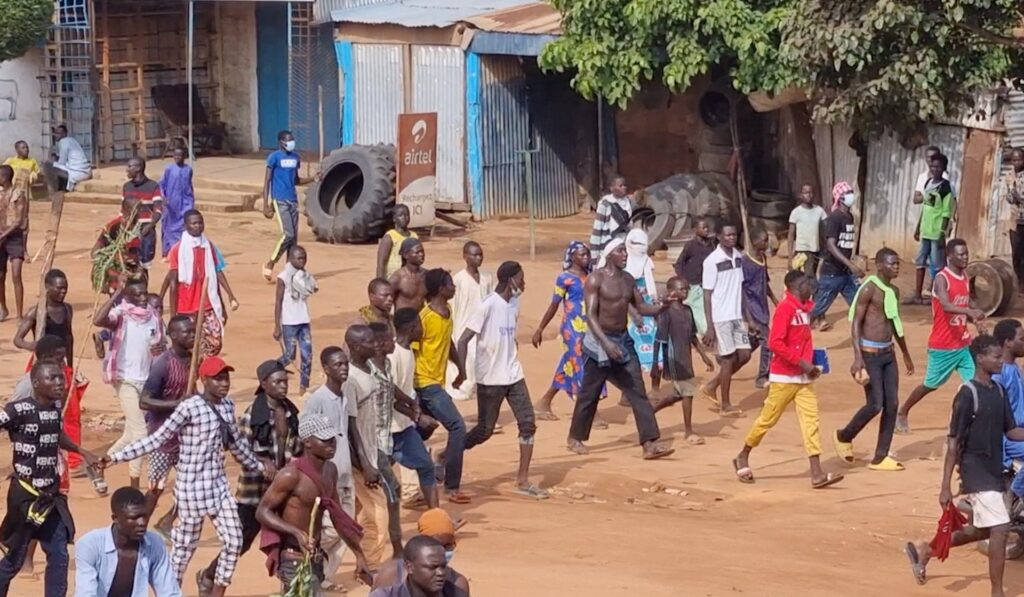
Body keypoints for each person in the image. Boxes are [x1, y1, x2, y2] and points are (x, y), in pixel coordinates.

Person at [100, 356, 269, 597]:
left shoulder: (228, 407)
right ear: (204, 381)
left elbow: (237, 445)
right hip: (191, 490)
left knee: (234, 541)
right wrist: (115, 457)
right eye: (218, 378)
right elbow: (156, 439)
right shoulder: (189, 408)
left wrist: (261, 467)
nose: (224, 383)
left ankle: (216, 592)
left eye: (226, 378)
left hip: (218, 488)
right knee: (183, 550)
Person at [904, 335, 1024, 597]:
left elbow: (1012, 430)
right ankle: (997, 592)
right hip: (975, 470)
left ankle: (926, 550)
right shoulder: (967, 394)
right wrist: (945, 486)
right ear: (980, 359)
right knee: (1001, 528)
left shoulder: (998, 390)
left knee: (981, 529)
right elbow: (954, 441)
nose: (1000, 360)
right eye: (995, 356)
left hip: (993, 469)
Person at [195, 359, 300, 597]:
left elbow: (296, 447)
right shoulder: (251, 415)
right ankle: (210, 574)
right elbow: (239, 449)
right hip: (253, 491)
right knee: (240, 542)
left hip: (282, 487)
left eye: (285, 381)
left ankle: (289, 588)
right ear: (264, 384)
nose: (284, 386)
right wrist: (261, 463)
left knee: (286, 540)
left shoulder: (291, 411)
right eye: (278, 381)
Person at [733, 270, 844, 489]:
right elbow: (775, 343)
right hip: (784, 377)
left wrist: (810, 363)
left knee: (811, 422)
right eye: (805, 284)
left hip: (803, 378)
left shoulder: (804, 309)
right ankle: (743, 455)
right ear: (794, 287)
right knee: (768, 419)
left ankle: (816, 473)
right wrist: (803, 363)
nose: (809, 287)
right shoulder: (785, 309)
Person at [567, 238, 674, 459]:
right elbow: (591, 316)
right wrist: (606, 344)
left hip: (623, 341)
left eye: (625, 251)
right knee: (590, 392)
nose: (625, 255)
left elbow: (641, 306)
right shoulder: (596, 279)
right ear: (609, 255)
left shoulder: (628, 280)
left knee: (637, 391)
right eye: (620, 251)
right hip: (599, 342)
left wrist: (662, 307)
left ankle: (649, 442)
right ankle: (575, 437)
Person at [0, 361, 100, 597]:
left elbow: (56, 435)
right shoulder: (17, 410)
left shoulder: (55, 408)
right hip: (25, 496)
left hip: (51, 497)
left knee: (59, 555)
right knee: (13, 560)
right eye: (52, 378)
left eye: (60, 378)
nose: (60, 383)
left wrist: (81, 450)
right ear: (35, 383)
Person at [456, 261, 547, 498]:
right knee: (484, 430)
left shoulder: (513, 304)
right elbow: (464, 340)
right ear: (510, 281)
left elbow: (508, 335)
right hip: (490, 378)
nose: (524, 284)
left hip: (513, 374)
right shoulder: (487, 305)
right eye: (521, 279)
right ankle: (449, 454)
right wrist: (462, 372)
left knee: (527, 423)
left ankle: (523, 479)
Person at [256, 414, 372, 593]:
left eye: (332, 439)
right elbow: (262, 511)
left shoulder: (330, 470)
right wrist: (296, 533)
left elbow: (337, 516)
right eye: (325, 440)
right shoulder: (291, 475)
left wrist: (359, 556)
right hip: (293, 557)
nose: (331, 445)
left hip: (315, 558)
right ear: (308, 442)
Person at [834, 248, 915, 470]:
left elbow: (894, 324)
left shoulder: (894, 291)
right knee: (875, 403)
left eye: (898, 263)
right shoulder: (869, 288)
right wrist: (857, 357)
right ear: (879, 265)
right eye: (892, 263)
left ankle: (880, 457)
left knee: (893, 403)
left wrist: (906, 354)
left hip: (888, 354)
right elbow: (856, 323)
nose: (896, 267)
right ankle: (844, 435)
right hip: (869, 354)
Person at [304, 346, 376, 590]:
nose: (343, 368)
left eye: (345, 364)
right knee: (332, 529)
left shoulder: (345, 394)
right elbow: (306, 435)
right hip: (327, 476)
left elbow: (348, 432)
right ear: (325, 369)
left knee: (345, 530)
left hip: (344, 473)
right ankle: (303, 556)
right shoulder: (318, 399)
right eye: (337, 365)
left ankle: (321, 576)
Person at [897, 239, 985, 433]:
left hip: (962, 343)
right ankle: (903, 411)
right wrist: (969, 312)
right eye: (961, 254)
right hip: (943, 346)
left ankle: (969, 422)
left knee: (977, 382)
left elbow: (966, 304)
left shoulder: (964, 277)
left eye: (966, 253)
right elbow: (945, 305)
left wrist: (976, 321)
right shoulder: (941, 279)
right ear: (950, 256)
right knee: (930, 385)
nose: (965, 257)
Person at [94, 278, 164, 490]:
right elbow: (99, 320)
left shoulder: (154, 316)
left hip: (146, 378)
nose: (143, 298)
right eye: (138, 295)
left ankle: (100, 464)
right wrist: (116, 295)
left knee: (131, 434)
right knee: (141, 434)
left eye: (145, 293)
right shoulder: (121, 314)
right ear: (128, 296)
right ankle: (134, 482)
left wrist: (160, 351)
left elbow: (160, 345)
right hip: (125, 379)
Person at [13, 269, 84, 475]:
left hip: (62, 367)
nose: (63, 292)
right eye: (59, 288)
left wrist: (70, 367)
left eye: (65, 288)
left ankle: (74, 459)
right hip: (41, 365)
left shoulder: (68, 309)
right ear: (47, 288)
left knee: (71, 412)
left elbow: (69, 338)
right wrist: (34, 346)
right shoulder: (37, 311)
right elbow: (18, 339)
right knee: (35, 407)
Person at [343, 325, 403, 566]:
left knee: (355, 512)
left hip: (372, 450)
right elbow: (350, 426)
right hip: (361, 458)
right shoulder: (350, 380)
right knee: (379, 513)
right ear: (356, 347)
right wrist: (365, 464)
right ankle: (371, 566)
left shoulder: (367, 370)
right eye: (369, 341)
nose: (374, 344)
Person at [531, 241, 603, 423]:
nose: (586, 258)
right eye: (581, 254)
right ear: (572, 257)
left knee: (569, 364)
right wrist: (540, 329)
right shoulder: (564, 278)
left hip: (591, 327)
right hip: (572, 328)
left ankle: (544, 403)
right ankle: (588, 413)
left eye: (587, 254)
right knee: (582, 366)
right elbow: (554, 305)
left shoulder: (592, 276)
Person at [413, 270, 469, 503]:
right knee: (457, 427)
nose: (454, 287)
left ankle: (406, 475)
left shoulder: (448, 312)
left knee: (420, 433)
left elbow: (449, 342)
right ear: (439, 289)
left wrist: (461, 368)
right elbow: (412, 350)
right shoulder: (424, 318)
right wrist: (414, 394)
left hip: (437, 382)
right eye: (450, 284)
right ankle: (451, 486)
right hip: (425, 383)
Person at [138, 314, 195, 536]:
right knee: (156, 488)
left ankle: (168, 520)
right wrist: (177, 404)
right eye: (186, 332)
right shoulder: (162, 364)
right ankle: (139, 528)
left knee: (193, 485)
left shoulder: (192, 359)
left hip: (186, 437)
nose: (191, 336)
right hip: (162, 437)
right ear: (172, 336)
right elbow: (144, 400)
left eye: (192, 332)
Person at [72, 487, 181, 597]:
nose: (142, 523)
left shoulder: (155, 544)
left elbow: (169, 592)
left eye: (144, 516)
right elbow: (86, 593)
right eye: (134, 518)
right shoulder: (90, 545)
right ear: (115, 518)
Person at [165, 210, 240, 356]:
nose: (198, 226)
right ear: (186, 225)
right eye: (194, 223)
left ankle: (203, 367)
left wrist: (228, 298)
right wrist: (173, 316)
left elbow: (216, 273)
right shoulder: (177, 250)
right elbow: (173, 283)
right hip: (186, 306)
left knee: (215, 342)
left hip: (207, 303)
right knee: (189, 344)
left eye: (200, 223)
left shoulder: (209, 247)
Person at [651, 276, 715, 445]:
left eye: (687, 289)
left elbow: (692, 336)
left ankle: (649, 413)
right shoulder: (666, 313)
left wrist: (704, 356)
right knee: (687, 394)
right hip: (674, 358)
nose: (685, 292)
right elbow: (659, 340)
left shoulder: (687, 310)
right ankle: (689, 431)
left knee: (678, 394)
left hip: (686, 357)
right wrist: (656, 364)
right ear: (671, 291)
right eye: (681, 289)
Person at [699, 223, 751, 417]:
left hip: (736, 316)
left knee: (745, 355)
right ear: (719, 236)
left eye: (734, 234)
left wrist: (749, 318)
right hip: (721, 318)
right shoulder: (711, 261)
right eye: (727, 234)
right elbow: (707, 294)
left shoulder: (738, 257)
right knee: (728, 360)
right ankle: (725, 404)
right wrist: (710, 326)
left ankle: (712, 385)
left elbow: (741, 288)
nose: (731, 238)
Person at [390, 309, 440, 509]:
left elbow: (406, 392)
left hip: (404, 427)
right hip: (386, 430)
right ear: (411, 328)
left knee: (426, 467)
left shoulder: (407, 350)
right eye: (420, 323)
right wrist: (419, 418)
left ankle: (437, 517)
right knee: (373, 481)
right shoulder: (393, 356)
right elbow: (389, 397)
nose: (422, 327)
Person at [371, 509, 470, 595]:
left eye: (448, 545)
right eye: (435, 545)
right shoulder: (390, 576)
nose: (442, 551)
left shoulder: (457, 585)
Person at [263, 130, 316, 280]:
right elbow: (267, 181)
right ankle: (271, 263)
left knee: (294, 239)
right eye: (288, 140)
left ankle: (289, 270)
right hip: (279, 200)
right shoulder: (274, 158)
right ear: (281, 142)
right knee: (288, 234)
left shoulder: (295, 158)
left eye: (292, 140)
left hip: (292, 200)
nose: (291, 143)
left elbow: (296, 180)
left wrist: (313, 178)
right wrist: (266, 204)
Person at [809, 182, 863, 330]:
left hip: (845, 273)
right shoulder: (835, 218)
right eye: (847, 193)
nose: (851, 196)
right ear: (839, 197)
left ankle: (862, 333)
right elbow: (831, 245)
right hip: (832, 273)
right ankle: (798, 330)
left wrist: (850, 266)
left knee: (859, 302)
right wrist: (852, 265)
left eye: (851, 192)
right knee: (818, 308)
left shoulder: (849, 216)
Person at [907, 153, 957, 304]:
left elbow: (947, 212)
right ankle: (917, 295)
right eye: (933, 166)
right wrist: (918, 227)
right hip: (925, 231)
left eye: (938, 167)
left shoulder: (945, 187)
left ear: (943, 169)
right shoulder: (928, 183)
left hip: (936, 233)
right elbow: (925, 207)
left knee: (937, 266)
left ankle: (937, 296)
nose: (935, 169)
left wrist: (943, 232)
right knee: (920, 262)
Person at [449, 241, 494, 401]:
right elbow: (453, 305)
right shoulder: (458, 279)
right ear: (465, 257)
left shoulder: (487, 277)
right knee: (466, 361)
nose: (478, 258)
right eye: (474, 255)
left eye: (480, 254)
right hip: (464, 326)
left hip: (483, 328)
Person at [274, 245, 317, 395]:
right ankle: (272, 369)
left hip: (303, 320)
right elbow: (278, 302)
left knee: (307, 355)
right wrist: (277, 326)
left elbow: (313, 289)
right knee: (289, 356)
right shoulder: (283, 277)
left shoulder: (304, 275)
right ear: (290, 259)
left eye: (304, 258)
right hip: (289, 322)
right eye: (299, 258)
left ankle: (303, 387)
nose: (302, 261)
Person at [368, 535, 468, 597]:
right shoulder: (385, 595)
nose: (441, 573)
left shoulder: (455, 593)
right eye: (432, 567)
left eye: (443, 566)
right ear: (409, 567)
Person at [741, 229, 778, 388]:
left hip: (762, 306)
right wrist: (748, 318)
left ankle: (733, 357)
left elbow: (765, 282)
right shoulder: (745, 262)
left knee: (755, 340)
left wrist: (774, 299)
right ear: (755, 242)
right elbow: (741, 290)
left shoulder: (762, 258)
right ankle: (763, 376)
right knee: (768, 341)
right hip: (752, 307)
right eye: (764, 240)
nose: (766, 243)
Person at [673, 217, 717, 336]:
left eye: (707, 227)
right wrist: (684, 281)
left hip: (706, 284)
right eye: (703, 227)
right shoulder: (690, 246)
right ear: (695, 229)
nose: (706, 230)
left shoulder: (711, 245)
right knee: (691, 311)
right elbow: (679, 264)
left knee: (705, 312)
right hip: (692, 285)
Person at [92, 196, 145, 293]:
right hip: (117, 278)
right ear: (127, 210)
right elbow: (95, 251)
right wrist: (107, 271)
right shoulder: (114, 227)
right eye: (137, 210)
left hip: (133, 276)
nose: (140, 213)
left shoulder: (138, 227)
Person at [992, 319, 1024, 474]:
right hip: (1009, 439)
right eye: (1022, 339)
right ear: (1008, 342)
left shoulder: (1015, 368)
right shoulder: (999, 375)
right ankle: (1013, 492)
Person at [625, 229, 658, 372]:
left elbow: (650, 282)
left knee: (649, 330)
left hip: (646, 301)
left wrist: (654, 298)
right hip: (627, 305)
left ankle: (650, 360)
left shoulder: (646, 261)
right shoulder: (623, 261)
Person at [122, 157, 162, 268]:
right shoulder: (127, 187)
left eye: (130, 166)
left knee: (144, 265)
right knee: (130, 262)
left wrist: (149, 226)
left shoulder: (153, 186)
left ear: (138, 168)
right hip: (130, 230)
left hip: (146, 232)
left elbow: (158, 210)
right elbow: (123, 211)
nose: (127, 169)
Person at [0, 165, 28, 321]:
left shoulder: (19, 195)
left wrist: (3, 235)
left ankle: (19, 314)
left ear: (4, 177)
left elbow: (18, 221)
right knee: (0, 276)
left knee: (16, 275)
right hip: (1, 237)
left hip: (14, 238)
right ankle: (3, 309)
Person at [159, 146, 195, 257]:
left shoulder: (188, 169)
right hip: (171, 203)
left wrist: (191, 200)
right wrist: (162, 197)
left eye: (179, 155)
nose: (177, 157)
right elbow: (162, 184)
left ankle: (182, 250)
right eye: (175, 155)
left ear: (184, 157)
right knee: (168, 226)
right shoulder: (169, 169)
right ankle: (168, 251)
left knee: (184, 225)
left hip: (185, 202)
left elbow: (189, 185)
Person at [787, 183, 827, 276]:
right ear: (801, 195)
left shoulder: (819, 211)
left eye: (811, 192)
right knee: (809, 278)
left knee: (808, 277)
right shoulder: (796, 212)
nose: (809, 195)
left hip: (815, 250)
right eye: (806, 192)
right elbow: (791, 235)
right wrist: (790, 257)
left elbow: (827, 226)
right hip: (802, 250)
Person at [589, 173, 632, 258]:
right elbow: (598, 229)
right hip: (608, 245)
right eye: (620, 186)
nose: (624, 188)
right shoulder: (605, 204)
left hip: (624, 243)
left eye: (625, 185)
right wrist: (594, 254)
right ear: (612, 188)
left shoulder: (628, 202)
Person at [44, 124, 90, 192]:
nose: (56, 135)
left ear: (64, 134)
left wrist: (52, 161)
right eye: (55, 133)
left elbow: (62, 163)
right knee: (53, 164)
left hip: (77, 173)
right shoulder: (72, 140)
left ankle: (54, 191)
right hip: (85, 171)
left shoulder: (63, 142)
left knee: (48, 165)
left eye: (58, 133)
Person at [377, 205, 418, 280]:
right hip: (392, 279)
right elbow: (381, 263)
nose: (405, 218)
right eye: (401, 215)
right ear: (394, 219)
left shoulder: (414, 236)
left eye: (407, 214)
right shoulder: (390, 237)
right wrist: (380, 283)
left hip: (410, 280)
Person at [1002, 147, 1024, 290]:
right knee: (1016, 253)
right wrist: (1012, 196)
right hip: (1014, 219)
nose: (1017, 163)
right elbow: (1008, 198)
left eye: (1019, 160)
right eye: (1014, 160)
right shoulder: (1009, 176)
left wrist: (1020, 198)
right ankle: (1019, 281)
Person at [390, 238, 427, 312]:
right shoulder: (397, 278)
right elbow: (385, 302)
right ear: (405, 255)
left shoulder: (426, 275)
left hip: (420, 321)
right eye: (417, 252)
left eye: (422, 251)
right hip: (402, 321)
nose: (421, 254)